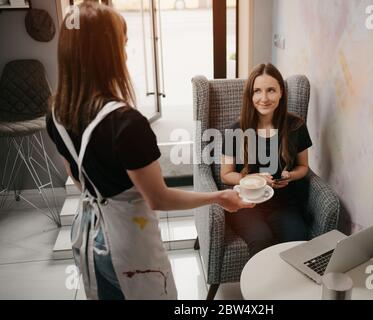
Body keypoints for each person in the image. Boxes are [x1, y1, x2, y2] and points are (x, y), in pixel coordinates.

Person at [46, 2, 253, 300]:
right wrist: (219, 197)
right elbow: (158, 198)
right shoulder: (126, 123)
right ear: (108, 54)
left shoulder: (55, 112)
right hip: (128, 246)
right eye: (123, 44)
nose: (126, 52)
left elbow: (78, 179)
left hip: (90, 238)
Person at [221, 63, 312, 256]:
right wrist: (252, 179)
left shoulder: (296, 126)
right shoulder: (234, 130)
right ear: (250, 95)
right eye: (257, 91)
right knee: (262, 240)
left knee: (299, 241)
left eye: (271, 90)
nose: (264, 98)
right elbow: (226, 175)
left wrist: (291, 175)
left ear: (281, 93)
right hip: (246, 204)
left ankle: (290, 286)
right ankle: (259, 287)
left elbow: (303, 167)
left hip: (284, 204)